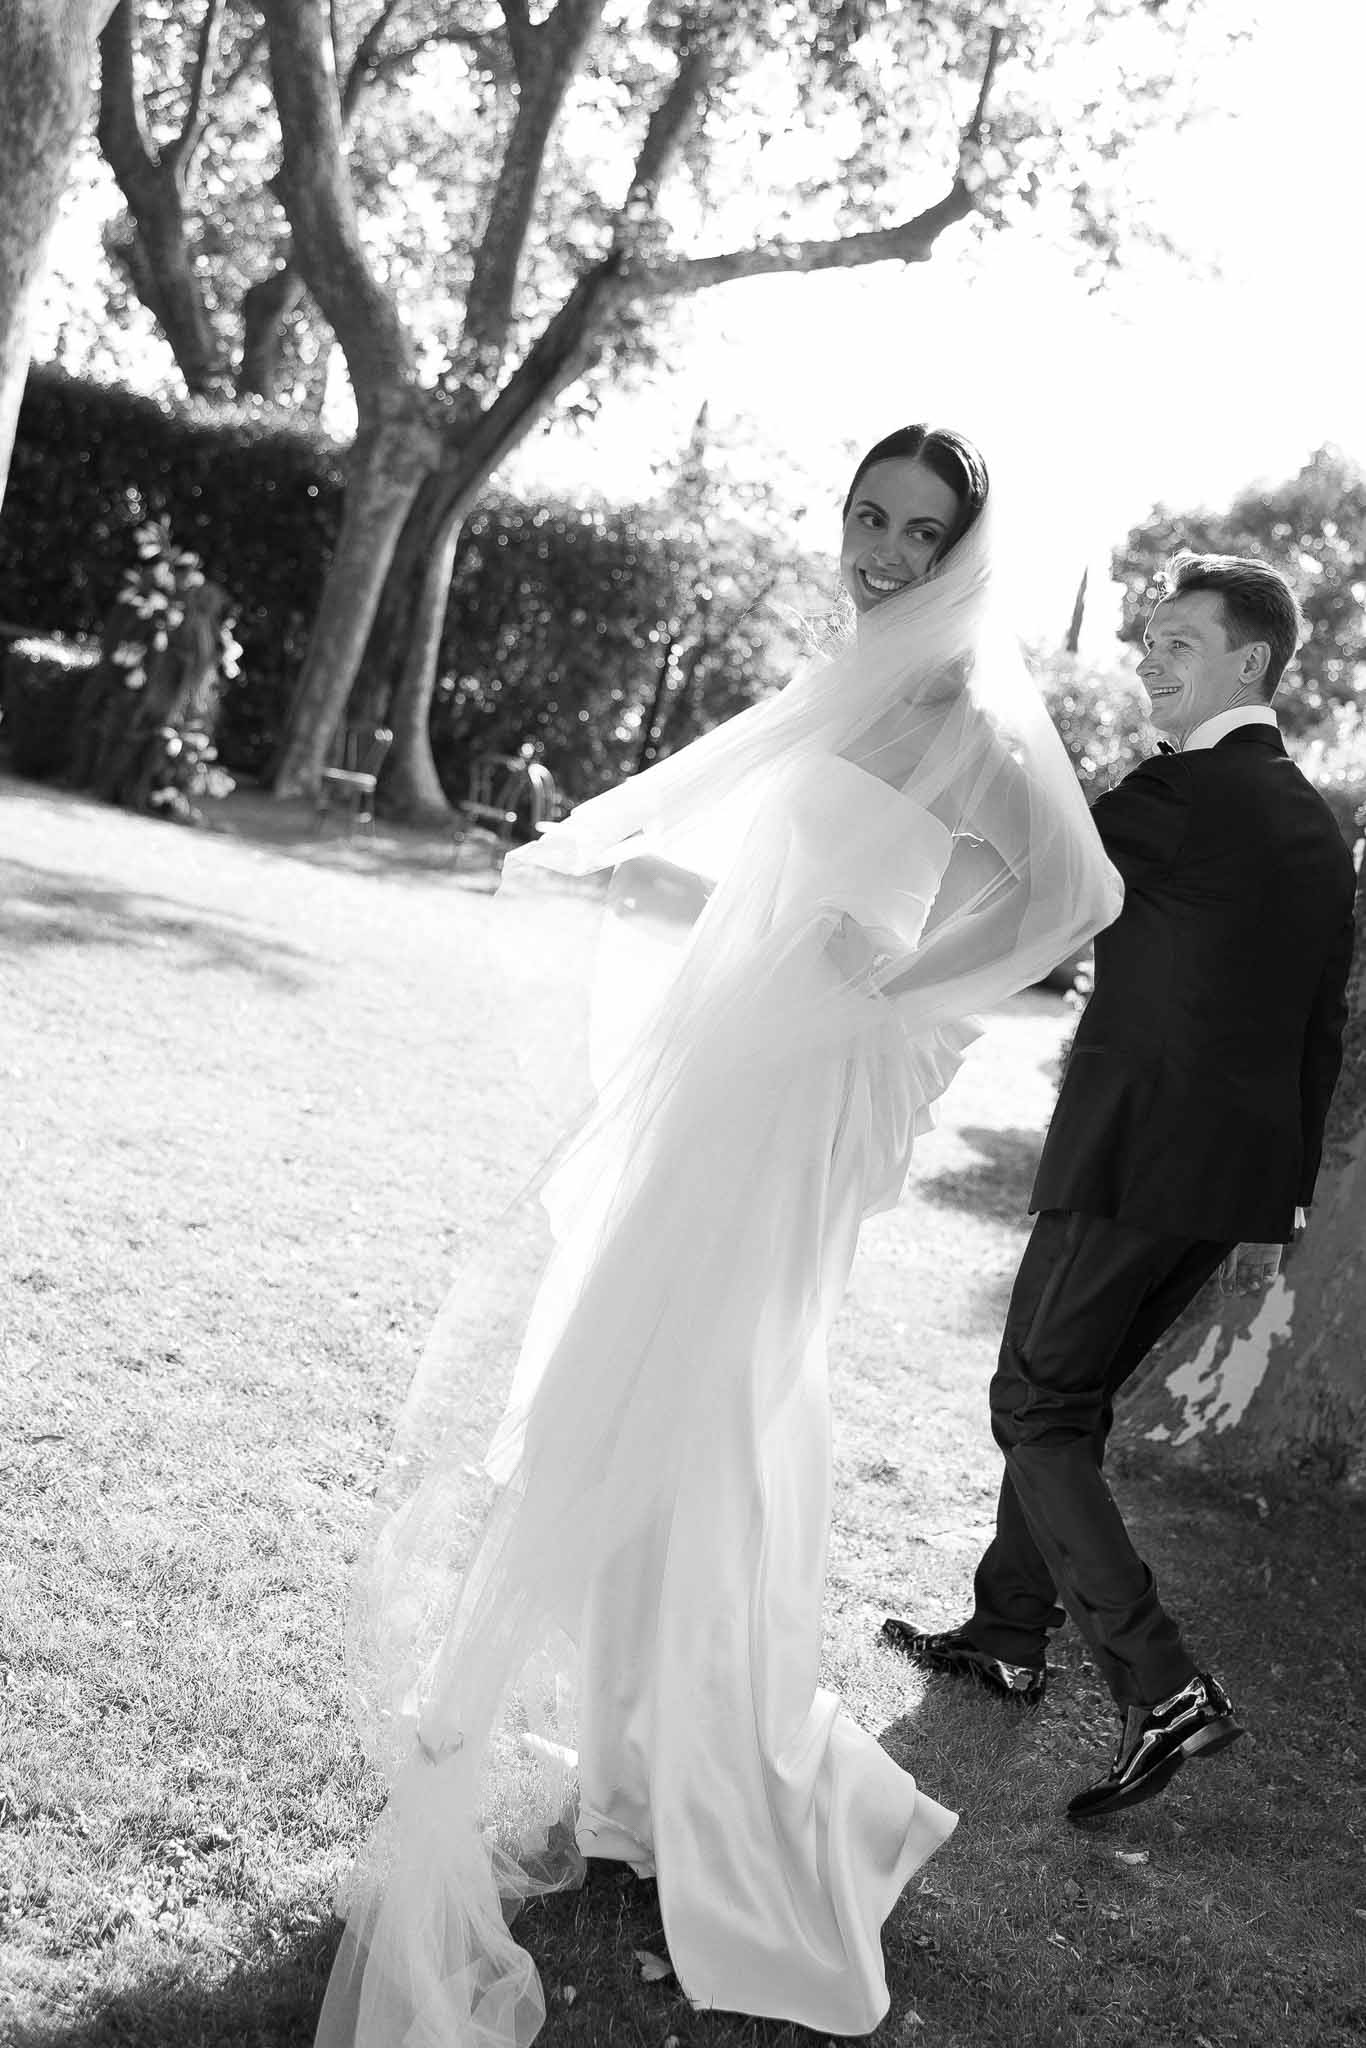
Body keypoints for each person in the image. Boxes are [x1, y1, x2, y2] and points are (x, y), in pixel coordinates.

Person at [315, 427, 1122, 2048]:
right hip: (726, 1086)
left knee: (718, 1409)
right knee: (641, 1403)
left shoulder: (965, 705)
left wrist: (888, 981)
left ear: (966, 548)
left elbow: (1074, 895)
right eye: (868, 516)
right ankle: (647, 1770)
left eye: (918, 530)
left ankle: (730, 1800)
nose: (883, 551)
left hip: (804, 1099)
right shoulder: (851, 671)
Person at [884, 551, 1357, 1821]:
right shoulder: (1316, 823)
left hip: (1133, 1153)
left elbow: (1037, 852)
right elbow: (1320, 1022)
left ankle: (1160, 1684)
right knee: (1070, 1399)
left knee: (1034, 1402)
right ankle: (1006, 1630)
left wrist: (939, 714)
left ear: (1247, 663)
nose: (1148, 661)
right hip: (1228, 1184)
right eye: (1148, 639)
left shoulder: (1181, 791)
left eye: (1177, 644)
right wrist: (1287, 1194)